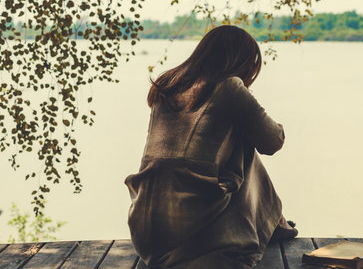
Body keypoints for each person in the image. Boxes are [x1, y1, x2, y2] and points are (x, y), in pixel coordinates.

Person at [124, 25, 298, 269]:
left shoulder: (167, 83)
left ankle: (276, 221)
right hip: (190, 228)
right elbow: (271, 141)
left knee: (234, 135)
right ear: (242, 61)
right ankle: (275, 222)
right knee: (246, 140)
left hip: (147, 227)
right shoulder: (228, 86)